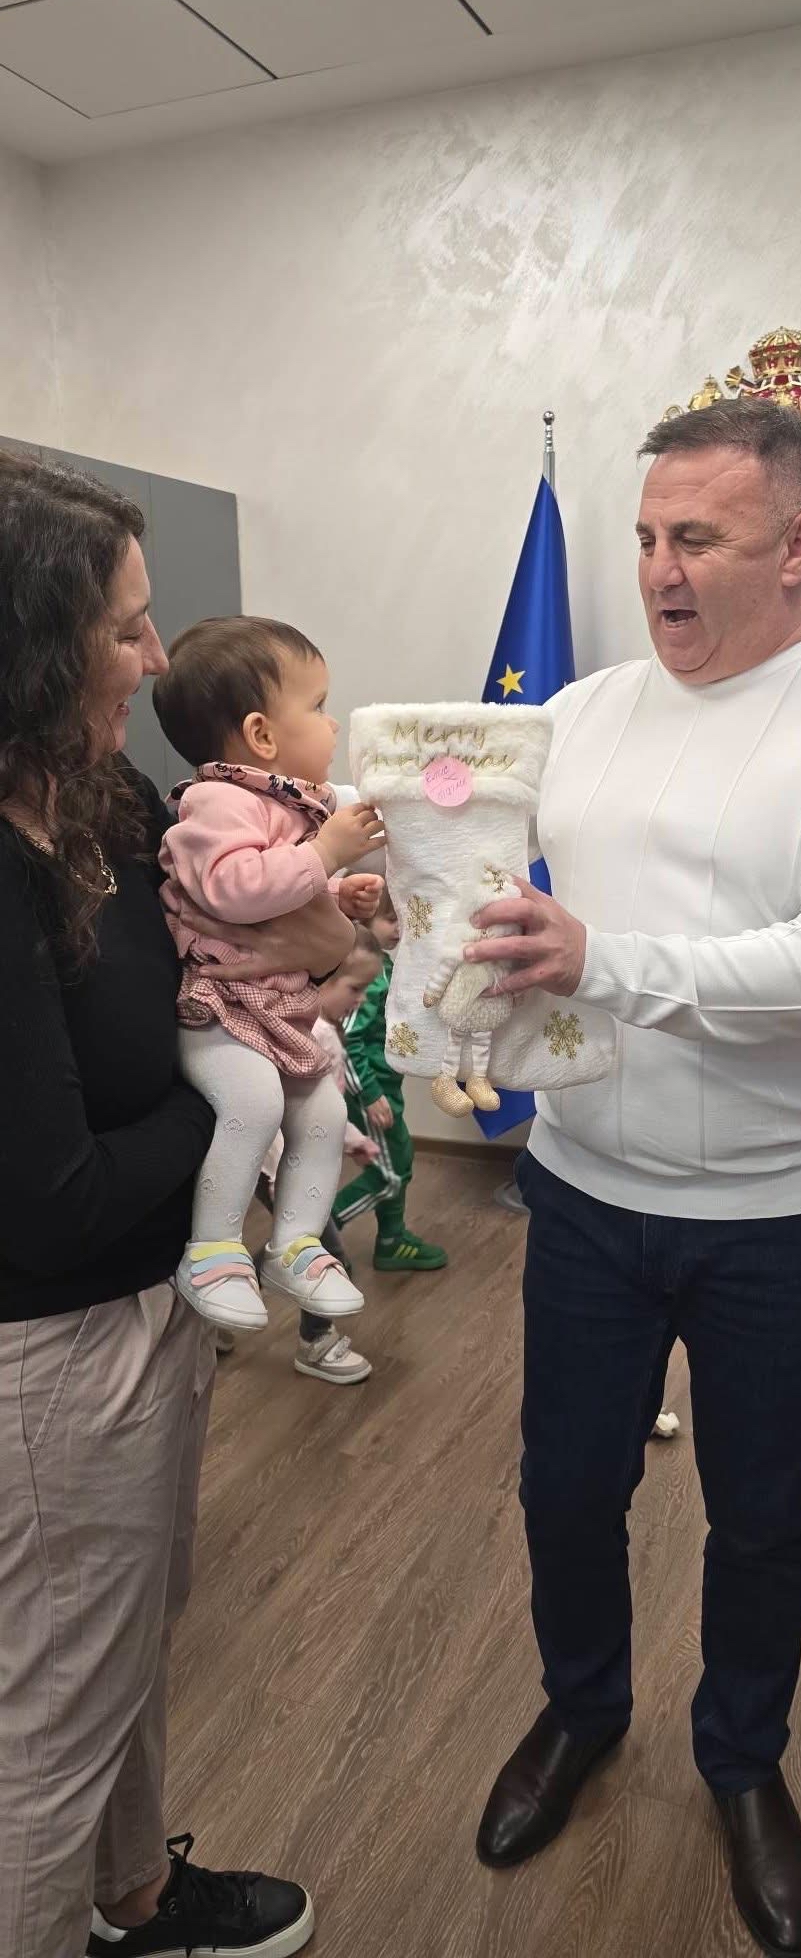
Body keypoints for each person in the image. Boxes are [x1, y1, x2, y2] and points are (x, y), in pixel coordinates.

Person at [469, 400, 801, 1958]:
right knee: (567, 1485)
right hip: (584, 1191)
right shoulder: (582, 710)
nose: (661, 570)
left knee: (762, 1514)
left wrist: (604, 957)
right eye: (648, 537)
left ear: (797, 546)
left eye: (699, 540)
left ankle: (742, 1761)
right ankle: (582, 1711)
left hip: (775, 1219)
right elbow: (471, 860)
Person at [0, 452, 326, 1958]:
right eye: (122, 627)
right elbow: (55, 1200)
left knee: (120, 1650)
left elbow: (239, 930)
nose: (154, 656)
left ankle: (131, 1899)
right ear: (29, 640)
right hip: (57, 1351)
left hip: (148, 1300)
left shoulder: (98, 789)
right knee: (46, 1731)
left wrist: (316, 954)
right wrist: (249, 1089)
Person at [153, 615, 384, 1332]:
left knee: (325, 1113)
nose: (333, 723)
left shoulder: (282, 805)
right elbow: (233, 889)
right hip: (218, 1007)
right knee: (251, 1103)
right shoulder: (216, 802)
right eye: (318, 706)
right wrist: (323, 857)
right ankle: (213, 1251)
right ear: (260, 734)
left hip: (276, 1008)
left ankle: (297, 1244)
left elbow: (282, 897)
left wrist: (335, 894)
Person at [333, 887, 449, 1272]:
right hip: (369, 1091)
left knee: (399, 1159)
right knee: (389, 1175)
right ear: (362, 920)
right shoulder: (366, 976)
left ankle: (391, 1240)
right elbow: (346, 1040)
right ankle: (322, 1228)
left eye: (402, 918)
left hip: (384, 1086)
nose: (399, 928)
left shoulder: (382, 967)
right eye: (389, 918)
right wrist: (368, 1094)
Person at [293, 925, 385, 1386]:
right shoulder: (314, 1035)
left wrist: (353, 1140)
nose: (362, 1000)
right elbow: (306, 1111)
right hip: (288, 1170)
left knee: (289, 1250)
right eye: (355, 988)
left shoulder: (317, 1028)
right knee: (330, 1261)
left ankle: (213, 1303)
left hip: (297, 1168)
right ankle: (315, 1342)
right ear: (322, 976)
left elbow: (323, 1109)